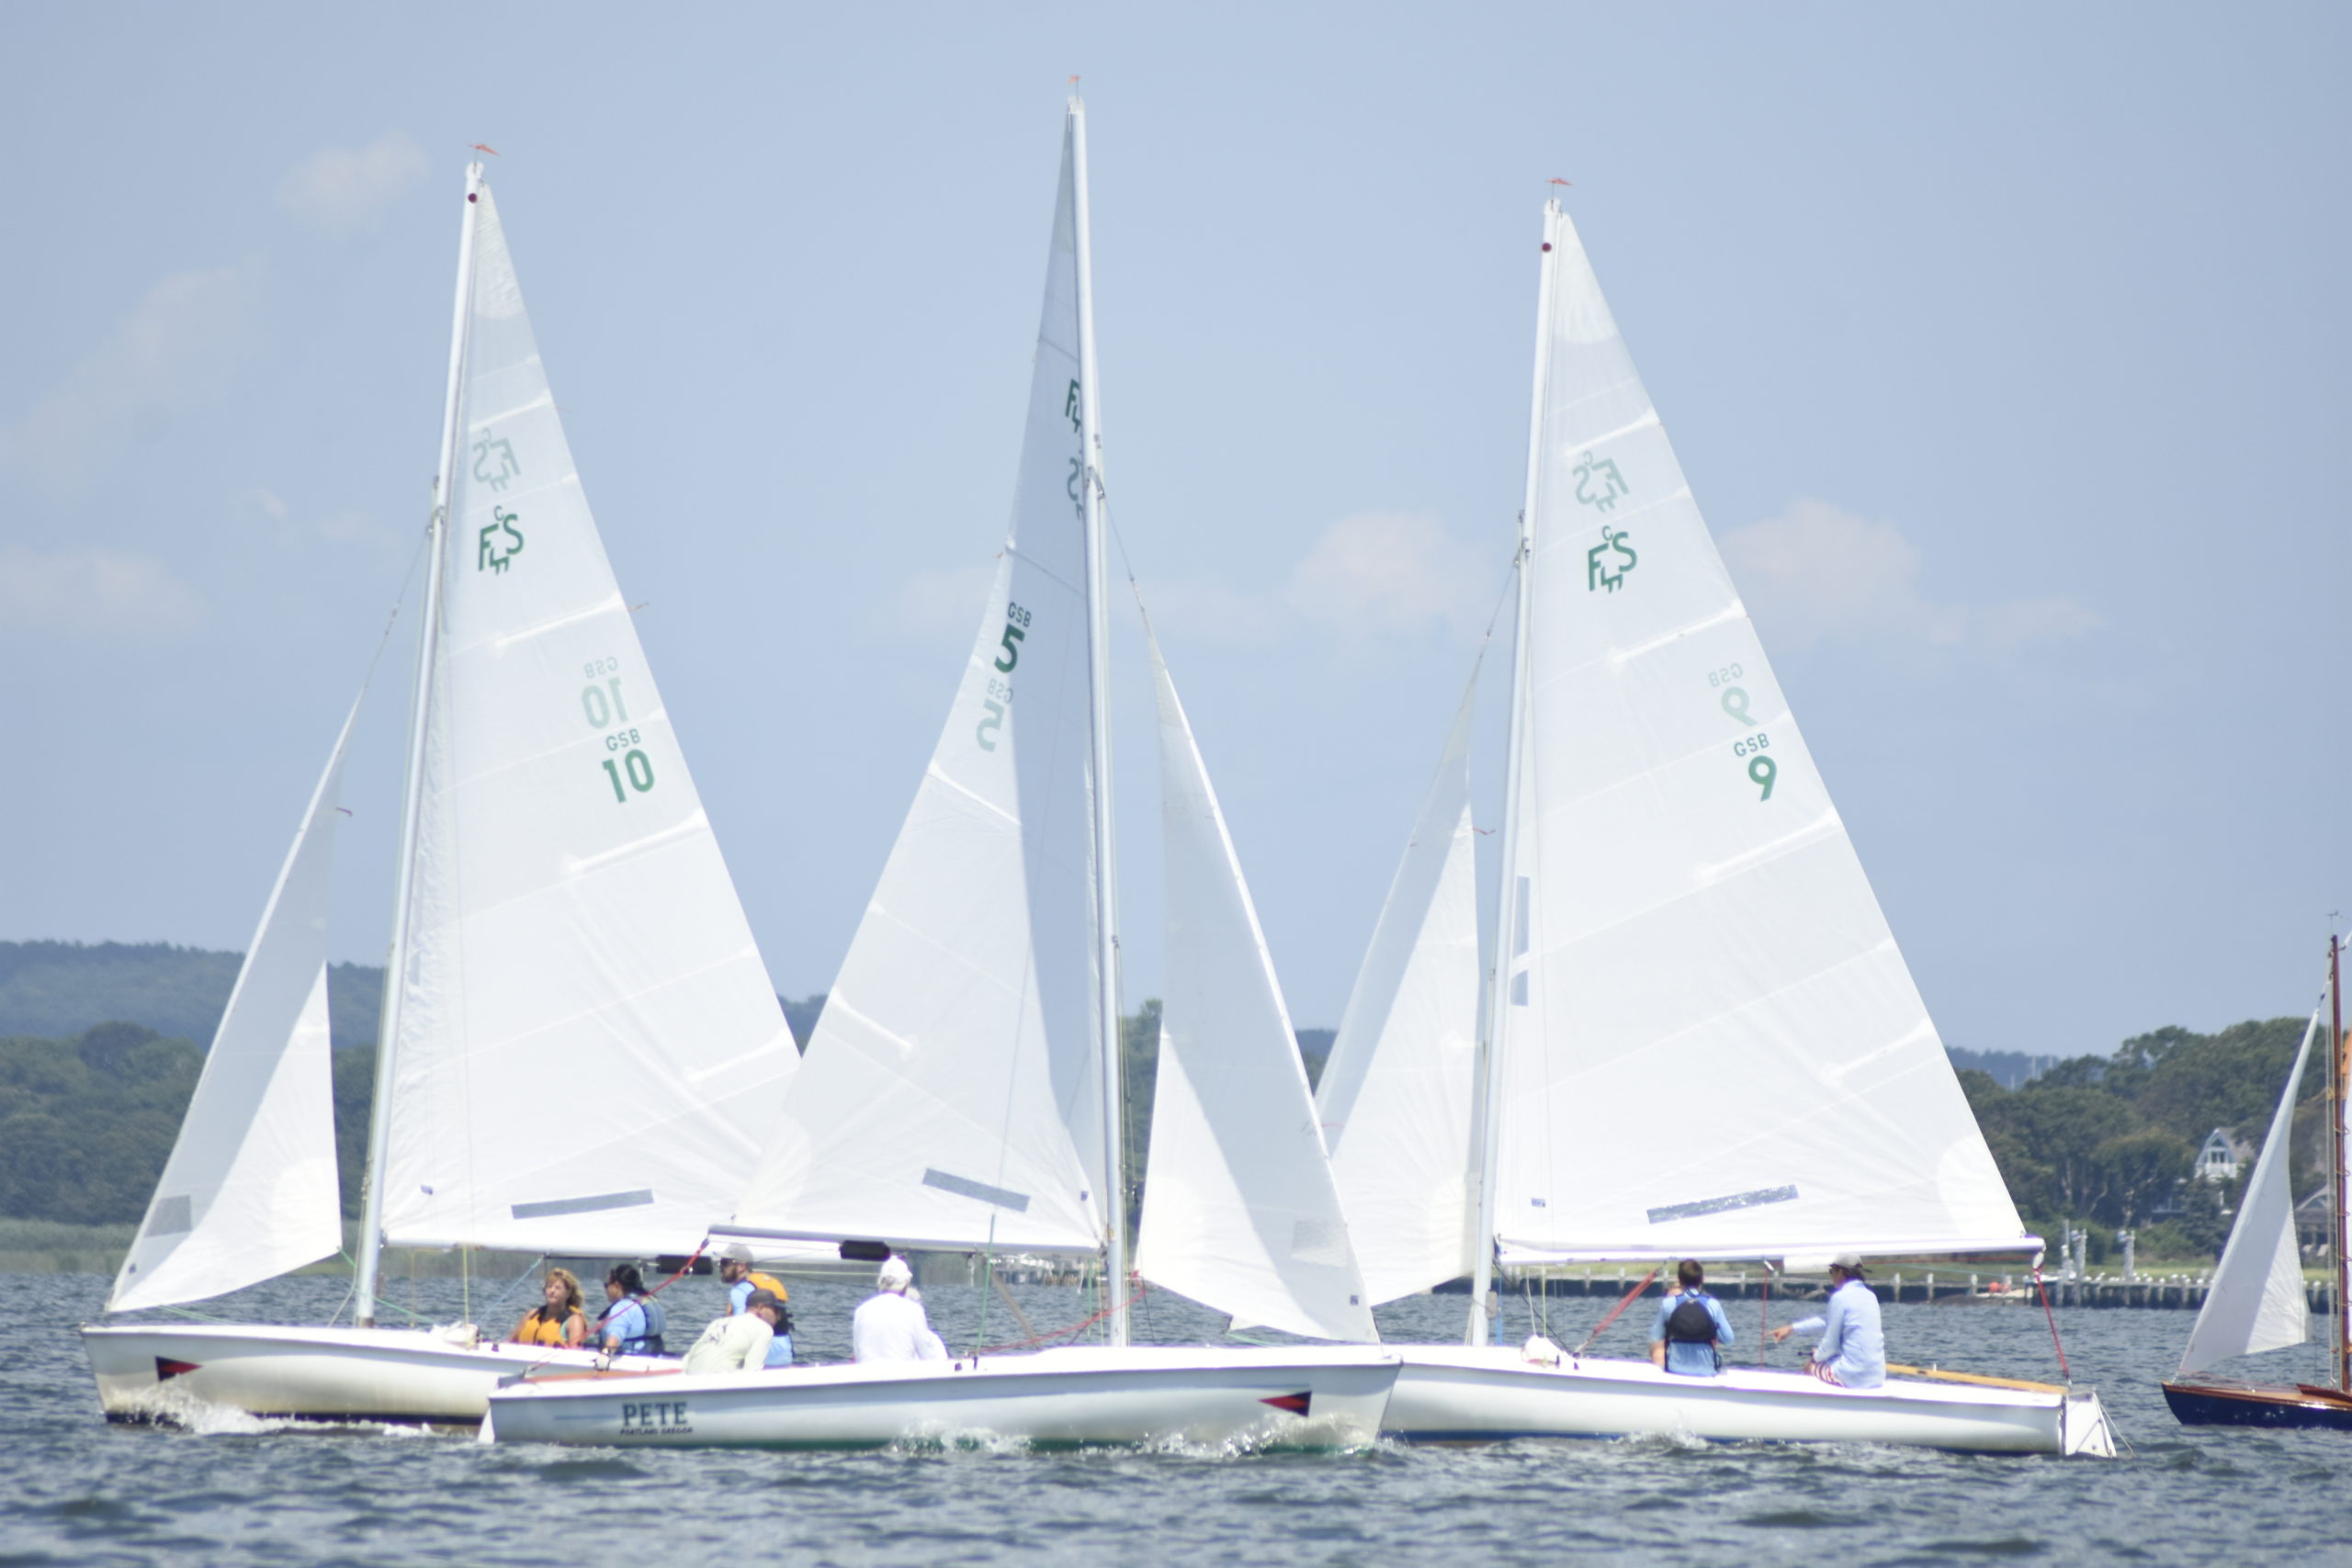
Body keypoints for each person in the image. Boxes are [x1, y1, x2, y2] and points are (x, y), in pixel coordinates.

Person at [1769, 1253, 1884, 1388]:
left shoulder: (1840, 1297)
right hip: (1877, 1375)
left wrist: (1815, 1358)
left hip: (1853, 1376)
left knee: (1809, 1367)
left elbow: (1831, 1344)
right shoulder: (1870, 1296)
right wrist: (1791, 1328)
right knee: (1827, 1359)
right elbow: (1828, 1321)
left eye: (1831, 1271)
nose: (1831, 1276)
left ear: (1840, 1271)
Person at [851, 1256, 947, 1363]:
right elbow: (928, 1356)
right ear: (906, 1283)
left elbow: (858, 1357)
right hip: (902, 1377)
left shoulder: (861, 1311)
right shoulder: (914, 1310)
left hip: (869, 1378)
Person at [1649, 1259, 1736, 1376]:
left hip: (1676, 1368)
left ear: (1679, 1280)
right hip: (1706, 1369)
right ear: (1702, 1279)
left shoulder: (1668, 1303)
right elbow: (1729, 1339)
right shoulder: (1712, 1304)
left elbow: (1656, 1335)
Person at [718, 1242, 794, 1368]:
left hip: (762, 1354)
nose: (721, 1267)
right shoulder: (765, 1282)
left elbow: (742, 1328)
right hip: (784, 1354)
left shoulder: (740, 1290)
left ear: (741, 1266)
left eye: (725, 1263)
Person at [682, 1289, 785, 1373]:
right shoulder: (764, 1329)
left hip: (690, 1381)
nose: (778, 1317)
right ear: (760, 1307)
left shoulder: (718, 1322)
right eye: (776, 1311)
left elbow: (688, 1358)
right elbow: (752, 1371)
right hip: (716, 1387)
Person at [594, 1262, 668, 1356]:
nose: (606, 1289)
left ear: (617, 1286)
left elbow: (614, 1339)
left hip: (628, 1363)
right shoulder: (651, 1301)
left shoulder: (622, 1308)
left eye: (607, 1285)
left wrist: (604, 1357)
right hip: (654, 1360)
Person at [512, 1267, 588, 1348]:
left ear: (568, 1293)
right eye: (549, 1286)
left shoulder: (574, 1321)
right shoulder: (532, 1315)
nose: (552, 1291)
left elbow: (576, 1354)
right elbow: (510, 1343)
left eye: (558, 1288)